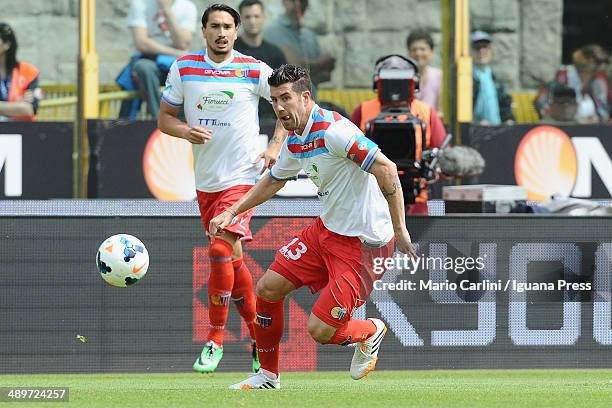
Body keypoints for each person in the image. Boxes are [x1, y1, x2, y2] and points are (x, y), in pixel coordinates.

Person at [207, 64, 416, 389]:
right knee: (267, 289)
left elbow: (387, 170)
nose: (278, 107)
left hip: (364, 244)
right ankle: (268, 376)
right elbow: (273, 181)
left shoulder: (334, 131)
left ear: (305, 97)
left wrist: (400, 229)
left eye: (285, 98)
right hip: (326, 233)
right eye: (274, 100)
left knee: (320, 331)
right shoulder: (296, 139)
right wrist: (232, 211)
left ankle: (370, 330)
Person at [157, 3, 288, 374]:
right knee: (231, 259)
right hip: (207, 181)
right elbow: (165, 119)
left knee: (217, 247)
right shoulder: (184, 68)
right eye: (214, 26)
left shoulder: (253, 69)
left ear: (237, 30)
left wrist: (275, 146)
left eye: (228, 26)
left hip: (244, 178)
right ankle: (257, 340)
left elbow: (286, 104)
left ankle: (214, 338)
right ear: (204, 30)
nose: (222, 33)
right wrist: (185, 130)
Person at [350, 55, 447, 215]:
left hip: (415, 202)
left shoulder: (426, 113)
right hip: (370, 199)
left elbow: (443, 157)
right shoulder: (363, 111)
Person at [122, 0, 198, 118]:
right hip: (147, 60)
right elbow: (141, 43)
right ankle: (160, 120)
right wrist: (176, 52)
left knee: (192, 70)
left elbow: (183, 43)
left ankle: (186, 121)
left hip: (174, 63)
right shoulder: (140, 4)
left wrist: (166, 10)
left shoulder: (188, 7)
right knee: (144, 68)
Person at [263, 0, 336, 96]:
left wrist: (306, 69)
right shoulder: (272, 32)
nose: (298, 5)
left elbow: (326, 75)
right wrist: (319, 64)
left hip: (310, 102)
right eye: (293, 1)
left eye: (302, 1)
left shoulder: (310, 35)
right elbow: (293, 66)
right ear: (284, 2)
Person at [234, 0, 287, 120]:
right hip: (238, 118)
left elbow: (285, 90)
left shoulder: (275, 53)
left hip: (270, 120)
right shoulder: (231, 52)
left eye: (256, 16)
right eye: (247, 17)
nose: (252, 21)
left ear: (264, 18)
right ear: (240, 20)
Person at [535, 44, 609, 124]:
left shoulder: (598, 82)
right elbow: (541, 103)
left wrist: (595, 119)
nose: (601, 72)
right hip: (559, 126)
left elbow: (603, 112)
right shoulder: (564, 76)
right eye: (597, 66)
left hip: (589, 129)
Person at [470, 31, 514, 125]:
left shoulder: (496, 78)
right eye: (477, 48)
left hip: (497, 130)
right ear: (471, 52)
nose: (482, 51)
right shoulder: (466, 77)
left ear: (491, 50)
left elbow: (504, 105)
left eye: (485, 47)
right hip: (474, 131)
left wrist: (508, 119)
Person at [0, 22, 42, 121]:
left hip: (22, 130)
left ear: (7, 44)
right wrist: (17, 103)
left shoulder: (28, 72)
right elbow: (22, 108)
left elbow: (29, 110)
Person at [407, 29, 442, 113]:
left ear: (431, 51)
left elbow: (441, 110)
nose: (418, 53)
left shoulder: (438, 76)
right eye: (414, 49)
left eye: (422, 49)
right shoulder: (404, 77)